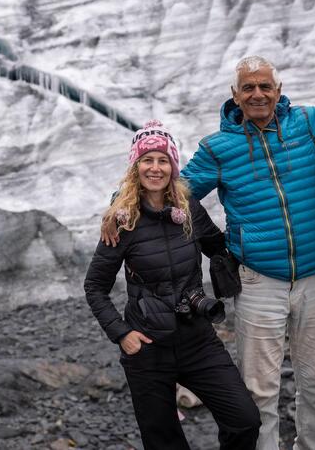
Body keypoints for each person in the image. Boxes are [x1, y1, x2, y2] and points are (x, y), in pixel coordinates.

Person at [102, 55, 315, 450]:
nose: (258, 94)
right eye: (249, 87)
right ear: (235, 95)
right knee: (259, 391)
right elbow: (169, 187)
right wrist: (118, 205)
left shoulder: (306, 122)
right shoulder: (218, 149)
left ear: (278, 91)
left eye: (265, 86)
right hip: (259, 281)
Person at [84, 120, 261, 450]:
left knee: (244, 420)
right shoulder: (122, 220)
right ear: (136, 167)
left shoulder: (188, 208)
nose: (155, 168)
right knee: (163, 441)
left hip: (197, 338)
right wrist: (122, 334)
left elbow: (217, 246)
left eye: (163, 160)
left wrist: (258, 241)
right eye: (147, 160)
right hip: (147, 346)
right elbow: (94, 285)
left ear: (173, 165)